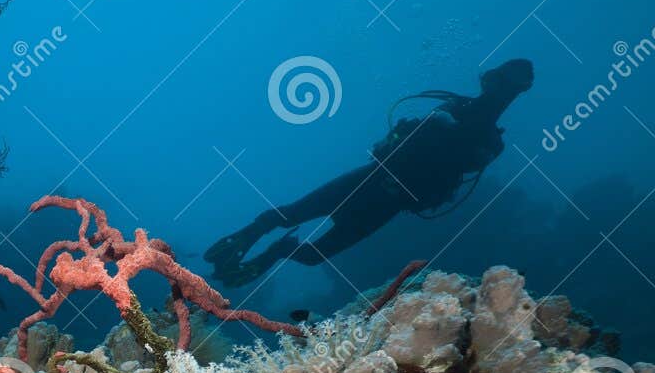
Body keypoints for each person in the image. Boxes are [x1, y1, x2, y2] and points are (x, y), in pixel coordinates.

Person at [206, 59, 534, 286]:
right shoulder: (452, 108)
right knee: (291, 214)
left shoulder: (489, 141)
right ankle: (245, 236)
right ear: (491, 80)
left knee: (313, 256)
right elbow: (402, 137)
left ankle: (273, 252)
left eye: (512, 86)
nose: (503, 90)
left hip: (389, 204)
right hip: (371, 179)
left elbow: (456, 176)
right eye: (502, 81)